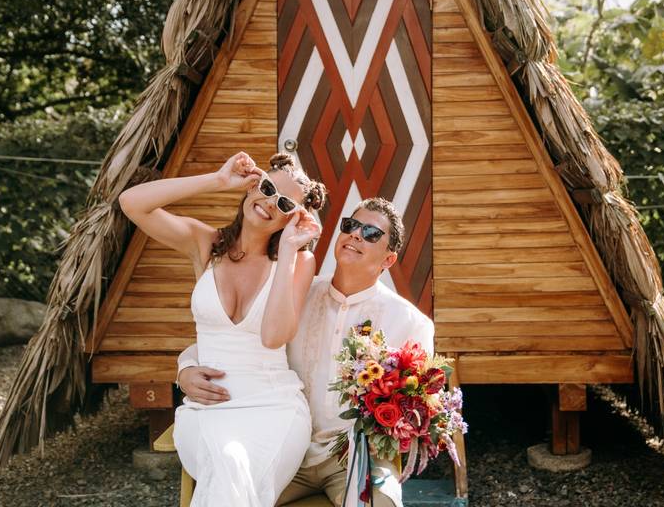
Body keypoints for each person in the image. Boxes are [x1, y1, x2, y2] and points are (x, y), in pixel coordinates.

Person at [178, 197, 434, 507]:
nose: (355, 235)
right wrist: (186, 369)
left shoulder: (409, 323)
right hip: (284, 446)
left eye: (371, 233)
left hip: (351, 457)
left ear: (388, 260)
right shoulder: (296, 295)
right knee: (232, 491)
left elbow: (417, 411)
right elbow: (229, 341)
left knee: (382, 504)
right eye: (351, 226)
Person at [118, 151, 325, 507]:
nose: (270, 202)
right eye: (267, 187)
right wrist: (216, 180)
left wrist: (290, 249)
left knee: (231, 471)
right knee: (229, 462)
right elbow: (131, 203)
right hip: (207, 411)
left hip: (274, 409)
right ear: (251, 186)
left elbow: (274, 336)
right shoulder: (206, 244)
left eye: (285, 203)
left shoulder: (298, 261)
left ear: (293, 219)